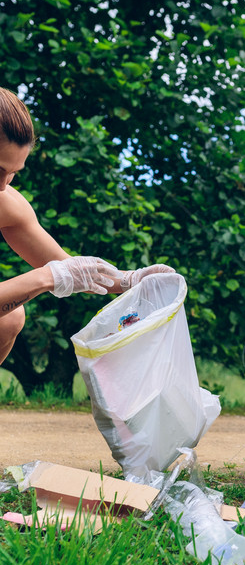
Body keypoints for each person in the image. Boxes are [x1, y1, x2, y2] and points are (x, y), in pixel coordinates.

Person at [0, 87, 172, 366]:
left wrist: (132, 281)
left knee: (7, 319)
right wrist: (48, 278)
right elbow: (57, 273)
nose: (3, 185)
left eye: (13, 173)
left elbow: (71, 269)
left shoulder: (6, 204)